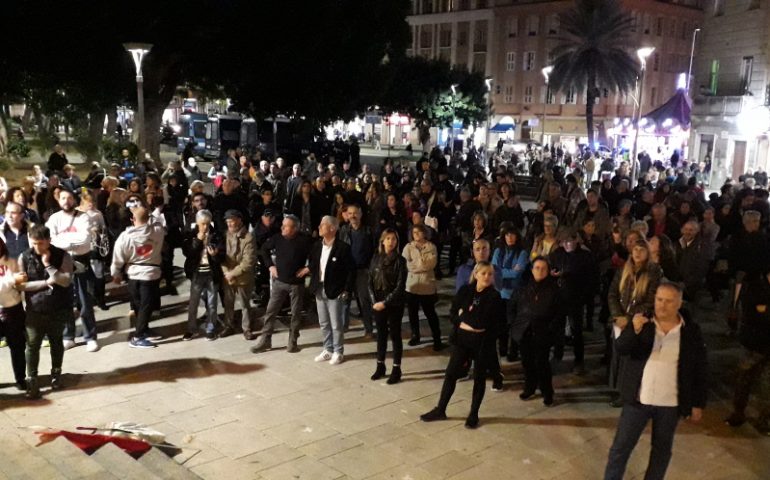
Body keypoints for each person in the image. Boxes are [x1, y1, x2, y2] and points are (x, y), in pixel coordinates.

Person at [604, 282, 708, 480]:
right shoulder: (643, 322)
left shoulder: (690, 331)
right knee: (620, 448)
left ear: (679, 303)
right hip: (638, 399)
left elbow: (700, 368)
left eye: (669, 301)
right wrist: (633, 330)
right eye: (659, 300)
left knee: (661, 451)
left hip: (670, 404)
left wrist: (697, 403)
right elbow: (621, 348)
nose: (662, 305)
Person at [420, 262, 505, 428]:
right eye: (484, 273)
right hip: (462, 341)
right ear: (476, 274)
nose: (487, 277)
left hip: (482, 344)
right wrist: (467, 322)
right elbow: (453, 314)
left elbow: (481, 322)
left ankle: (473, 414)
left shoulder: (494, 297)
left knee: (479, 379)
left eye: (490, 274)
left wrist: (463, 316)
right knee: (451, 374)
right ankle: (441, 409)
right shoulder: (465, 291)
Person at [19, 225, 74, 399]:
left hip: (57, 308)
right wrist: (46, 283)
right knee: (32, 345)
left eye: (41, 243)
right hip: (35, 309)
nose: (37, 247)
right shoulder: (24, 256)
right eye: (34, 243)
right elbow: (21, 285)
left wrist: (48, 265)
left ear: (49, 241)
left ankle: (56, 374)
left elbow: (65, 281)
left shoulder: (62, 255)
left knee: (56, 342)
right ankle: (32, 380)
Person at [607, 238, 663, 407]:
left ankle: (628, 393)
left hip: (638, 322)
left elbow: (650, 300)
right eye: (635, 249)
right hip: (621, 320)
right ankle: (617, 389)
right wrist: (618, 315)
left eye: (642, 250)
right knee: (618, 356)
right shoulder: (624, 269)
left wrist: (630, 319)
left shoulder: (653, 272)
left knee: (631, 359)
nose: (637, 253)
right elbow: (612, 294)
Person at [46, 187, 99, 352]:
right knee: (65, 301)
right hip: (60, 263)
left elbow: (85, 239)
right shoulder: (54, 219)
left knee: (84, 301)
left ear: (74, 200)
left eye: (69, 198)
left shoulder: (84, 217)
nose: (66, 201)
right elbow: (50, 241)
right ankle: (68, 336)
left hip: (80, 261)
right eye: (63, 198)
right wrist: (69, 243)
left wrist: (64, 241)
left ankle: (90, 337)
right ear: (58, 200)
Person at [252, 215, 313, 353]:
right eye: (283, 225)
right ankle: (265, 340)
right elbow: (264, 250)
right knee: (270, 312)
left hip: (296, 284)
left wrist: (307, 269)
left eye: (286, 226)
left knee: (296, 314)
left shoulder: (304, 240)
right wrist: (270, 266)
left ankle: (293, 342)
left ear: (295, 228)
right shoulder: (277, 238)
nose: (282, 228)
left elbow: (316, 256)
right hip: (279, 282)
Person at [111, 203, 165, 348]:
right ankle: (138, 336)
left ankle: (144, 329)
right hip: (150, 275)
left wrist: (115, 273)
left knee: (138, 305)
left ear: (132, 219)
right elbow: (158, 221)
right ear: (148, 219)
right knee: (146, 307)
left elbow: (118, 256)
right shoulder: (157, 232)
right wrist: (149, 214)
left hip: (133, 274)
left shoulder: (125, 237)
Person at [510, 257, 561, 406]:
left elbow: (559, 314)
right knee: (527, 362)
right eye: (537, 268)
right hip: (524, 331)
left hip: (543, 333)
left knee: (542, 364)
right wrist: (514, 324)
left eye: (543, 268)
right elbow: (512, 307)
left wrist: (550, 330)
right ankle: (529, 387)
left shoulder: (554, 290)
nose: (540, 271)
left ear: (548, 271)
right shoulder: (523, 288)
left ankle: (547, 391)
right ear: (532, 270)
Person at [725, 268, 770, 434]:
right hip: (754, 344)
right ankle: (738, 413)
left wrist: (764, 310)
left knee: (767, 386)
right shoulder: (755, 286)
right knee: (744, 380)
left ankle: (764, 420)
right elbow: (751, 314)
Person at [309, 216, 355, 365]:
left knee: (336, 323)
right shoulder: (317, 246)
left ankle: (338, 351)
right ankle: (327, 349)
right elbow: (313, 265)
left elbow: (350, 271)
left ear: (332, 228)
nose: (319, 227)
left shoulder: (343, 248)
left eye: (323, 225)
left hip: (335, 289)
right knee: (324, 322)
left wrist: (346, 289)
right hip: (319, 288)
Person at [369, 228, 408, 384]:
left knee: (395, 335)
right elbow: (370, 281)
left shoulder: (400, 260)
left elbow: (400, 286)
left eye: (394, 239)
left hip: (393, 303)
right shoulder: (375, 258)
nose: (391, 242)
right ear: (382, 241)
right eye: (388, 238)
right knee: (381, 335)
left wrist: (385, 303)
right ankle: (380, 365)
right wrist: (374, 301)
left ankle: (396, 368)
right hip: (377, 301)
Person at [182, 209, 224, 341]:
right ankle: (191, 329)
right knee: (193, 302)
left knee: (212, 302)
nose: (205, 226)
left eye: (207, 223)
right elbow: (188, 253)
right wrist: (198, 240)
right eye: (202, 223)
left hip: (211, 273)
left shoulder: (216, 235)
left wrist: (215, 255)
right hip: (197, 273)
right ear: (197, 223)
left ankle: (211, 328)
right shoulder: (191, 235)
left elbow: (222, 256)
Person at [403, 224, 444, 350]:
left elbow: (430, 265)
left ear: (425, 233)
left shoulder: (431, 247)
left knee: (430, 312)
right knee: (412, 313)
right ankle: (415, 335)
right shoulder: (408, 247)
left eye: (419, 232)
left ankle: (437, 338)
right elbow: (406, 265)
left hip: (427, 285)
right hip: (412, 285)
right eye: (414, 232)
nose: (416, 235)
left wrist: (416, 266)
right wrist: (419, 265)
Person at [337, 204, 376, 337]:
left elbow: (374, 251)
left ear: (360, 214)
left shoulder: (368, 231)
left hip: (362, 270)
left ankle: (369, 328)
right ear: (347, 215)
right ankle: (343, 327)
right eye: (350, 213)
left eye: (355, 213)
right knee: (345, 300)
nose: (353, 216)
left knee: (364, 301)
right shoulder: (343, 230)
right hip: (347, 271)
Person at [219, 209, 257, 340]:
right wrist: (226, 273)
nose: (229, 224)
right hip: (228, 276)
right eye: (227, 221)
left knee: (245, 304)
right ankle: (228, 326)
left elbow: (248, 262)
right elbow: (221, 256)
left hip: (243, 277)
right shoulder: (225, 235)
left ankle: (246, 329)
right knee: (228, 303)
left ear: (239, 220)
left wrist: (232, 274)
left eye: (232, 220)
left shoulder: (249, 238)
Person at [0, 237, 27, 392]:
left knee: (17, 347)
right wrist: (12, 280)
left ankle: (21, 378)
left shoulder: (11, 261)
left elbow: (22, 283)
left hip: (14, 309)